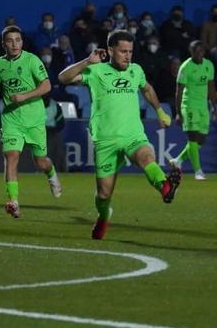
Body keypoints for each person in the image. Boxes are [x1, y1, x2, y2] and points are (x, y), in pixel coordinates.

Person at [59, 30, 182, 240]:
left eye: (130, 51)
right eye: (123, 51)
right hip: (106, 140)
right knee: (104, 194)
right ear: (110, 50)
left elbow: (147, 89)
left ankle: (164, 186)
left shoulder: (136, 70)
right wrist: (87, 61)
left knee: (146, 156)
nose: (128, 56)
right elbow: (63, 78)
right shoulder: (96, 71)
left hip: (132, 134)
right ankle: (104, 216)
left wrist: (160, 111)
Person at [0, 26, 62, 219]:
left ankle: (51, 173)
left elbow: (46, 85)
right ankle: (14, 201)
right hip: (11, 119)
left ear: (22, 42)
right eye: (10, 41)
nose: (14, 44)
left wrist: (25, 96)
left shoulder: (31, 60)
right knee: (11, 157)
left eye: (18, 40)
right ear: (4, 44)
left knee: (41, 162)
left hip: (34, 119)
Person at [168, 41, 217, 181]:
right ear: (191, 52)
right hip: (189, 106)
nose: (199, 52)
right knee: (193, 138)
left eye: (201, 50)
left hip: (203, 107)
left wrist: (213, 107)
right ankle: (198, 171)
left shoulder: (209, 65)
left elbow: (211, 87)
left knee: (201, 139)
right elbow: (179, 91)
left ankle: (177, 160)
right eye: (196, 50)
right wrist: (178, 112)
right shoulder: (185, 67)